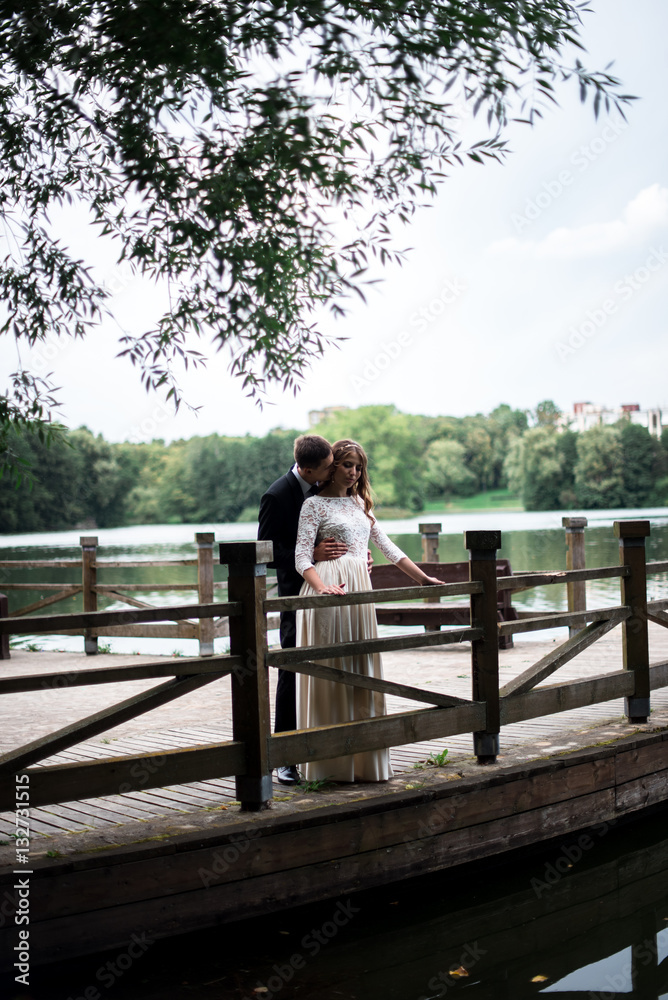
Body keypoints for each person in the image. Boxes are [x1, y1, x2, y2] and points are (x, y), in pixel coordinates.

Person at [294, 439, 442, 783]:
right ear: (332, 466)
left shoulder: (360, 503)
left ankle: (363, 762)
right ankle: (329, 766)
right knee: (330, 671)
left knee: (361, 668)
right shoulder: (312, 505)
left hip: (360, 591)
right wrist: (320, 587)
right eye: (347, 465)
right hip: (329, 589)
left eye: (359, 467)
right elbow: (301, 556)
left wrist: (422, 579)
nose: (353, 472)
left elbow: (387, 547)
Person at [258, 434, 348, 785]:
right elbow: (265, 553)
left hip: (333, 592)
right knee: (291, 667)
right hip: (296, 597)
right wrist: (312, 555)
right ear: (307, 468)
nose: (334, 470)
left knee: (334, 662)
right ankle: (285, 756)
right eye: (328, 467)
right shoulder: (277, 495)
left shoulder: (325, 489)